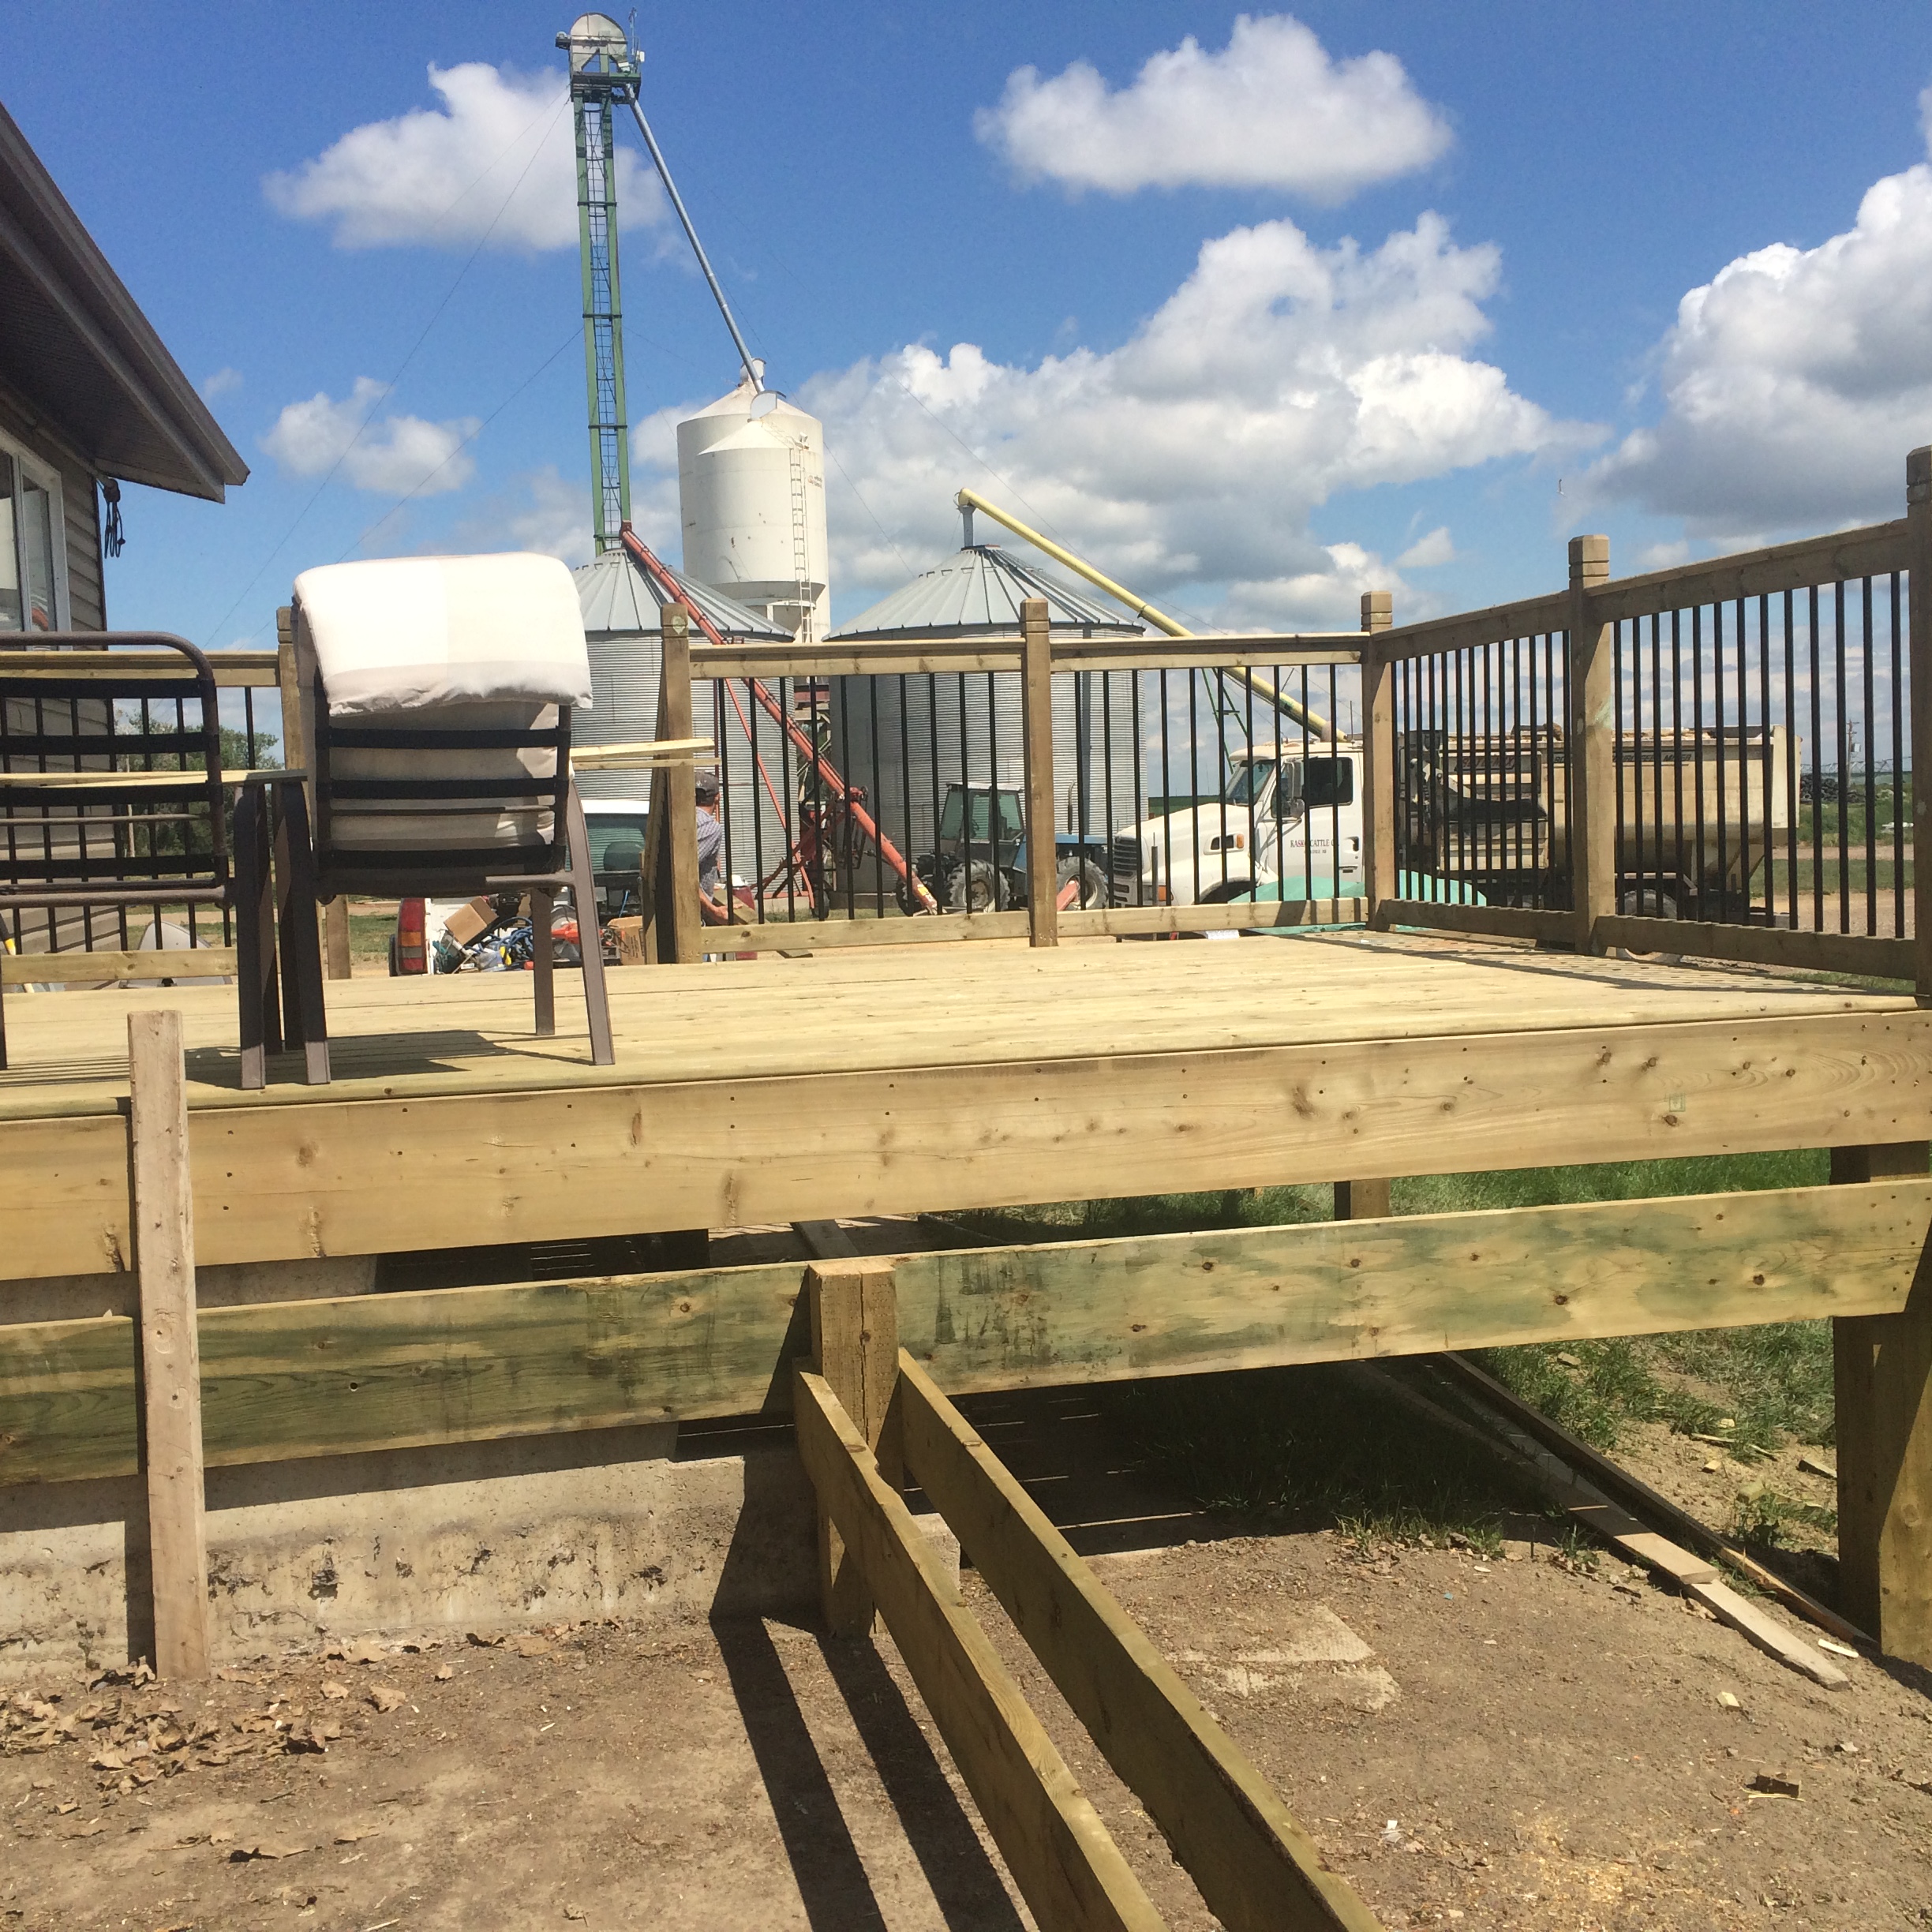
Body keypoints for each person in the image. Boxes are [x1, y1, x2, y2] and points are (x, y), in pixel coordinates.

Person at [693, 769, 729, 923]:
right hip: (691, 912)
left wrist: (707, 885)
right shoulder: (710, 827)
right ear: (717, 798)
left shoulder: (679, 818)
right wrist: (712, 909)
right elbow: (683, 872)